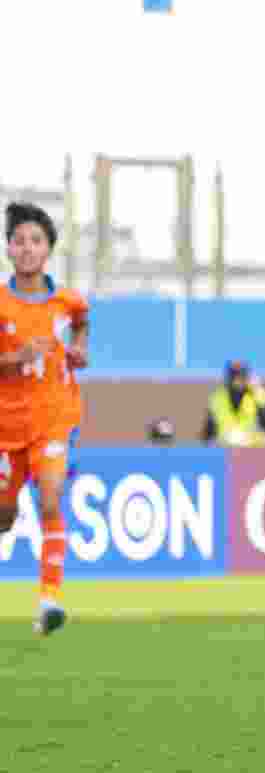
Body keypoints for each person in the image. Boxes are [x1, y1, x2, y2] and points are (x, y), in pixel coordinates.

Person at [0, 201, 90, 637]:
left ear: (48, 249)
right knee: (3, 515)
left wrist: (79, 349)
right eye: (19, 241)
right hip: (5, 427)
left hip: (54, 417)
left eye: (36, 240)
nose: (28, 248)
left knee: (51, 499)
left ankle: (49, 601)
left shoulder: (66, 299)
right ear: (9, 250)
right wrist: (16, 358)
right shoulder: (0, 303)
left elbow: (81, 321)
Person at [201, 360, 265, 448]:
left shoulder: (257, 395)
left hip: (251, 447)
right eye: (234, 377)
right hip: (225, 446)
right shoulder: (217, 397)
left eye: (241, 377)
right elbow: (209, 430)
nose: (237, 382)